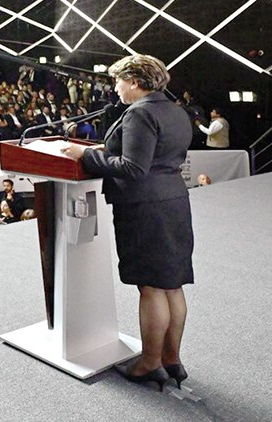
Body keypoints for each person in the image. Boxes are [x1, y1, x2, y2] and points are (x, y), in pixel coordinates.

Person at [61, 54, 194, 391]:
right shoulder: (175, 110)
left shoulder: (140, 112)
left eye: (118, 81)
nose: (116, 87)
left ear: (135, 81)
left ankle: (149, 363)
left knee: (150, 286)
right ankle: (170, 359)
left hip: (144, 207)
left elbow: (134, 168)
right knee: (171, 284)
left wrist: (85, 155)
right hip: (174, 202)